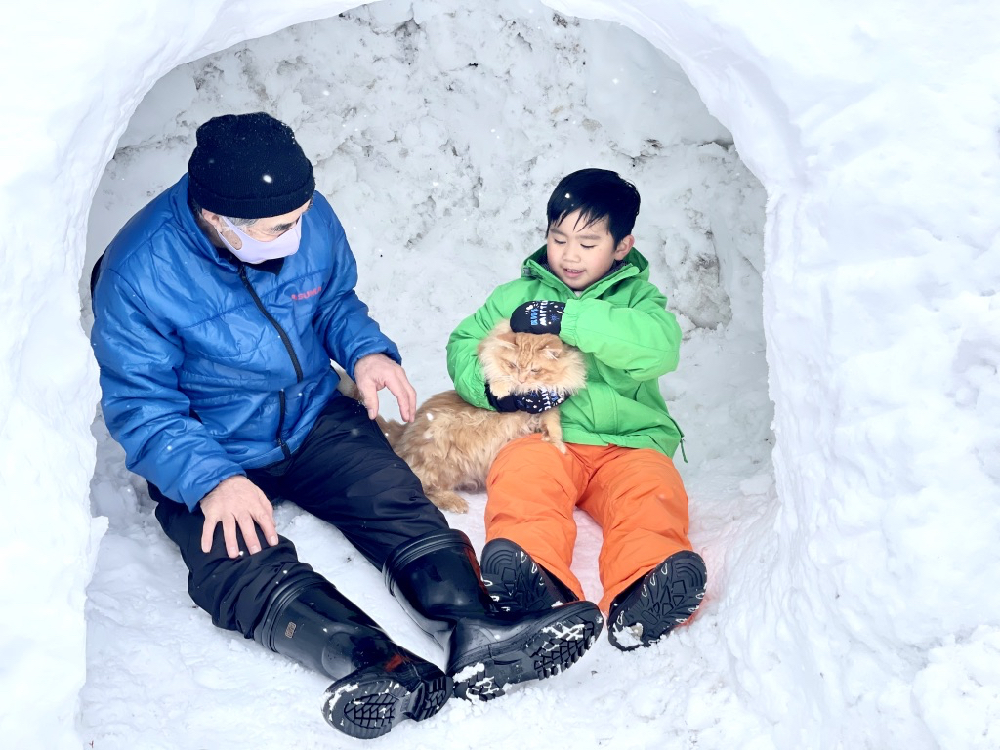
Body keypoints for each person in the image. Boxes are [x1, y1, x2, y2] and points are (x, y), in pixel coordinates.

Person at [90, 113, 603, 740]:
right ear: (219, 219)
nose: (298, 231)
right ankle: (371, 662)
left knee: (393, 500)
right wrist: (211, 479)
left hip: (310, 414)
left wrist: (364, 351)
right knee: (239, 558)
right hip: (206, 441)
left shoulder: (301, 216)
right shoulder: (139, 271)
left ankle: (476, 629)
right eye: (281, 227)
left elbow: (333, 302)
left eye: (302, 216)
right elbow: (142, 405)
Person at [446, 168, 708, 651]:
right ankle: (536, 578)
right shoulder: (516, 296)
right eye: (558, 238)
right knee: (523, 481)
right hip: (545, 438)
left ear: (622, 246)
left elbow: (658, 349)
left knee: (649, 496)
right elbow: (464, 343)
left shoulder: (639, 302)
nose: (569, 254)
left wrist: (568, 317)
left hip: (627, 444)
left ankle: (644, 589)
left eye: (588, 243)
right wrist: (497, 392)